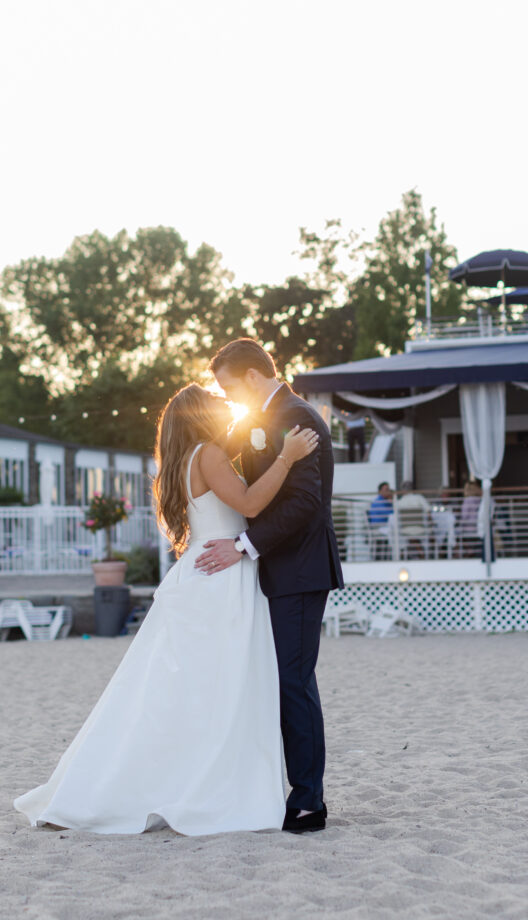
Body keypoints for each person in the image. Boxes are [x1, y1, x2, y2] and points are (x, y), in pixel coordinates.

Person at [14, 383, 319, 836]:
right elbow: (252, 503)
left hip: (205, 573)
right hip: (221, 580)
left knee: (185, 691)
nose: (225, 409)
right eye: (218, 405)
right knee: (221, 688)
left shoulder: (183, 460)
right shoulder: (209, 454)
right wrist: (286, 457)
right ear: (201, 415)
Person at [195, 338, 344, 834]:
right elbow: (225, 459)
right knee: (280, 682)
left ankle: (308, 803)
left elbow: (304, 505)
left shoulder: (295, 417)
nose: (228, 397)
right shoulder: (261, 415)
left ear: (253, 376)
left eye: (228, 387)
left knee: (294, 685)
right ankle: (284, 791)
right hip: (279, 569)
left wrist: (243, 545)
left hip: (300, 570)